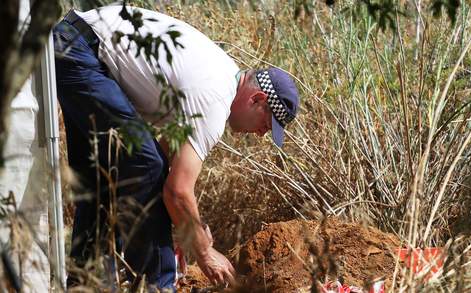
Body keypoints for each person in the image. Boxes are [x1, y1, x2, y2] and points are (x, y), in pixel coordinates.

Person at [53, 4, 299, 290]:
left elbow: (166, 169)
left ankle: (89, 283)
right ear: (256, 99)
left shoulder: (220, 79)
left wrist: (186, 227)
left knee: (107, 178)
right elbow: (176, 189)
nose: (259, 134)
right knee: (144, 164)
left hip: (74, 45)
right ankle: (156, 286)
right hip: (83, 52)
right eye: (266, 125)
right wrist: (205, 253)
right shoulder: (215, 99)